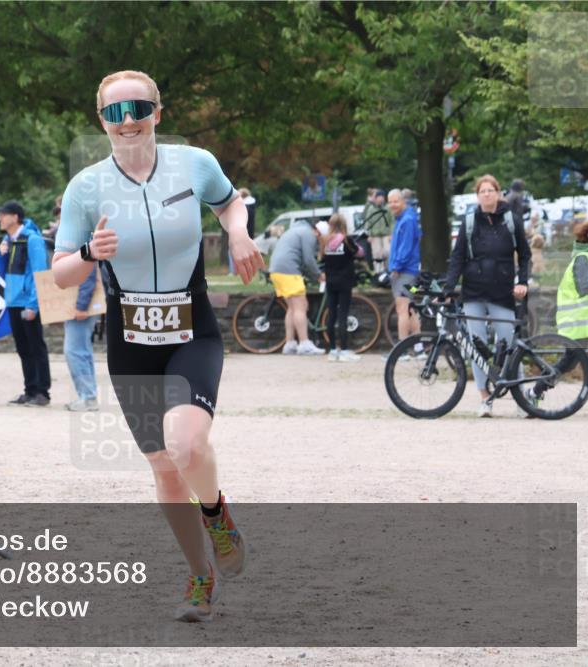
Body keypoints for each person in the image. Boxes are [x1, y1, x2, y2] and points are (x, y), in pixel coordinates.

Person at [52, 70, 262, 622]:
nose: (128, 122)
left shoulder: (193, 162)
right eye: (114, 113)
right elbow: (60, 275)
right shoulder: (86, 188)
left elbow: (229, 202)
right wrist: (90, 255)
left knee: (186, 445)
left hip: (191, 328)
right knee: (165, 469)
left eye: (138, 109)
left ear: (157, 112)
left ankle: (218, 515)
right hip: (130, 338)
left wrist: (237, 231)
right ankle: (200, 577)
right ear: (101, 121)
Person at [444, 174, 532, 417]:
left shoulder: (511, 220)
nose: (486, 194)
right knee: (477, 346)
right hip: (473, 292)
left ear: (498, 193)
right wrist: (450, 287)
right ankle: (485, 399)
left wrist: (522, 282)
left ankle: (521, 399)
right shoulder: (469, 221)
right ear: (477, 195)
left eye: (490, 190)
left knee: (510, 346)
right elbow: (458, 257)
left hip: (501, 291)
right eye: (482, 191)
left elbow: (524, 255)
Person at [0, 200, 51, 407]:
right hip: (13, 301)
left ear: (15, 217)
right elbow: (3, 272)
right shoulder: (8, 240)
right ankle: (30, 390)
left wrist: (33, 305)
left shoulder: (32, 239)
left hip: (27, 302)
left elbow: (39, 273)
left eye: (3, 214)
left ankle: (42, 392)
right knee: (23, 347)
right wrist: (2, 254)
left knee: (36, 346)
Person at [270, 218, 325, 355]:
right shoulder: (308, 234)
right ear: (319, 233)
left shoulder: (294, 230)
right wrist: (318, 275)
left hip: (276, 270)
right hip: (289, 271)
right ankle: (304, 343)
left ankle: (290, 344)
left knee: (292, 308)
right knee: (301, 306)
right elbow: (308, 259)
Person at [320, 212, 364, 362]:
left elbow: (323, 260)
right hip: (345, 282)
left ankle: (332, 350)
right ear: (344, 225)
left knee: (331, 316)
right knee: (343, 315)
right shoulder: (346, 241)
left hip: (330, 282)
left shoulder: (325, 242)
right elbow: (359, 254)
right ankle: (344, 349)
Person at [387, 188, 423, 348]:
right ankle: (418, 346)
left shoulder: (407, 220)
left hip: (405, 271)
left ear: (403, 201)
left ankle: (401, 349)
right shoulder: (403, 219)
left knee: (402, 308)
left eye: (396, 201)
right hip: (408, 270)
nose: (393, 205)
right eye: (390, 202)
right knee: (409, 308)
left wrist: (396, 267)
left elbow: (406, 247)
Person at [63, 261, 100, 412]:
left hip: (81, 306)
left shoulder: (79, 243)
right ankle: (88, 396)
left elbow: (87, 273)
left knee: (74, 351)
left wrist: (81, 306)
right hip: (82, 303)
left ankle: (88, 397)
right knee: (83, 351)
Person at [555, 217, 588, 347]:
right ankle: (548, 369)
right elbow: (584, 287)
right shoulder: (583, 258)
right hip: (578, 319)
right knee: (570, 361)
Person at [360, 188, 393, 271]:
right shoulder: (371, 208)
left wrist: (391, 233)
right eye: (379, 197)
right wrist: (369, 234)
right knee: (377, 254)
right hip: (375, 235)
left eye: (382, 197)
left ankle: (389, 269)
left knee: (388, 252)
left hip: (386, 234)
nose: (381, 198)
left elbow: (392, 221)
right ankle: (378, 272)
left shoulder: (388, 208)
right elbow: (368, 222)